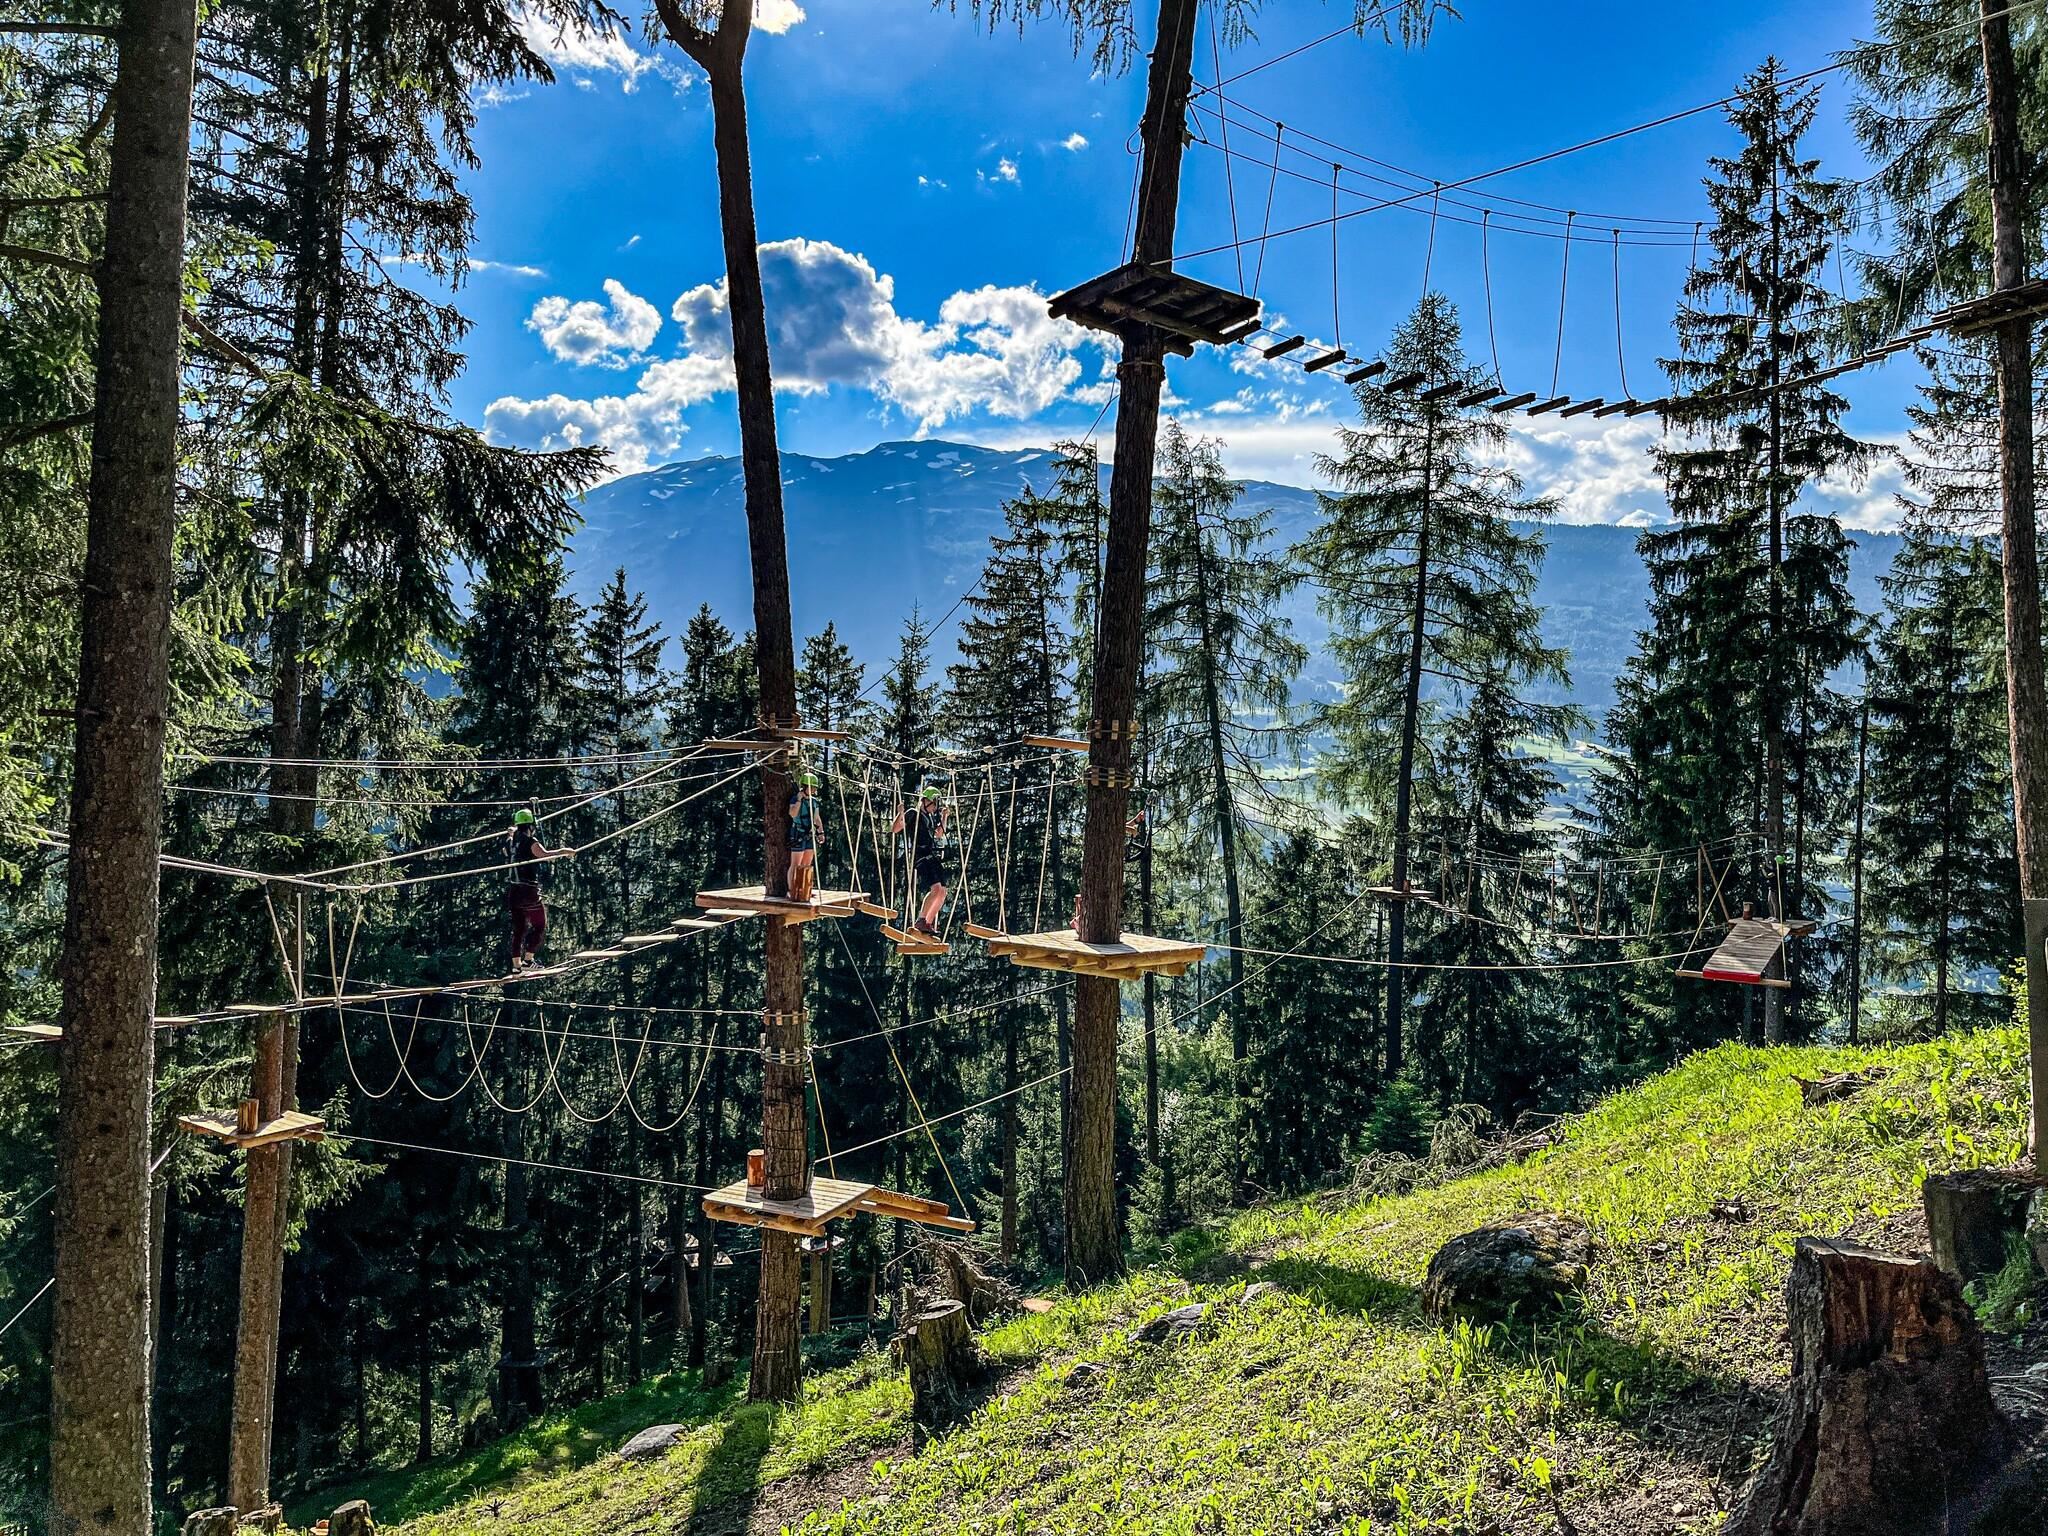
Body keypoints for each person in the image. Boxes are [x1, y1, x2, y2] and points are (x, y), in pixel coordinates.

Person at [505, 808, 574, 972]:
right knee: (540, 925)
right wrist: (564, 852)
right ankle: (528, 960)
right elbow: (544, 855)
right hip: (528, 891)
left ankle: (516, 966)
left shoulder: (510, 842)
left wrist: (512, 831)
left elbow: (510, 835)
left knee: (519, 929)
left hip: (513, 891)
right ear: (531, 826)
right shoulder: (531, 842)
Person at [1072, 805, 1148, 932]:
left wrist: (1135, 821)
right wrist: (1131, 828)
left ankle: (1086, 922)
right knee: (1097, 891)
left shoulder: (1104, 815)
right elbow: (1112, 827)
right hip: (1096, 860)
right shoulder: (1098, 817)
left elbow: (1116, 826)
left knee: (1103, 892)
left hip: (1103, 860)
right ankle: (1079, 921)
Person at [892, 784, 950, 936]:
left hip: (930, 854)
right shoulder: (913, 813)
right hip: (921, 855)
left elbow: (938, 834)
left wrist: (944, 817)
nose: (935, 807)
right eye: (934, 803)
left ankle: (927, 923)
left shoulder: (929, 818)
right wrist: (900, 813)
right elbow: (895, 828)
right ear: (926, 801)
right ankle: (921, 920)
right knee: (936, 888)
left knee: (943, 891)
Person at [788, 770, 820, 902]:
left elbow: (817, 818)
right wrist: (799, 801)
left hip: (809, 833)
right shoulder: (796, 799)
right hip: (798, 833)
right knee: (796, 863)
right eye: (811, 787)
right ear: (805, 787)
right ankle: (791, 890)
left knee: (807, 863)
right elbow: (793, 814)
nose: (813, 790)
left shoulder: (814, 802)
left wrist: (821, 833)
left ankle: (806, 889)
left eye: (814, 788)